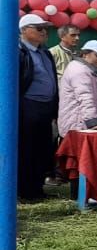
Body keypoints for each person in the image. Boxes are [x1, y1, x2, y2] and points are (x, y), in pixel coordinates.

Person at [17, 14, 58, 202]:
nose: (44, 32)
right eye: (39, 28)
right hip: (27, 105)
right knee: (27, 148)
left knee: (42, 148)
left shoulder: (45, 52)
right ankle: (25, 190)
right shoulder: (18, 51)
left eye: (45, 29)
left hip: (45, 106)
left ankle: (37, 187)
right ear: (24, 30)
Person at [58, 39, 97, 133]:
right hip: (81, 126)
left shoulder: (92, 70)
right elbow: (85, 97)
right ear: (85, 54)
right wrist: (93, 122)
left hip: (89, 126)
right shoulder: (79, 70)